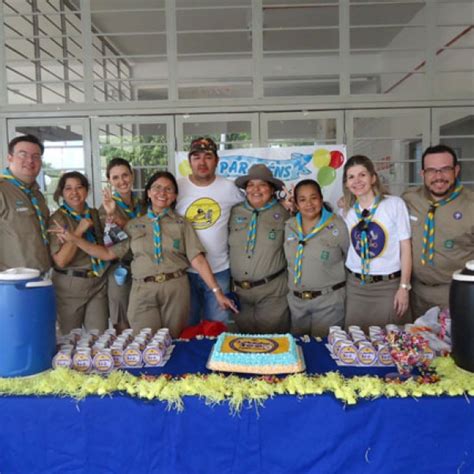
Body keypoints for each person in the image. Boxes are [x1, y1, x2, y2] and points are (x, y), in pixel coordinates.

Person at [50, 171, 238, 338]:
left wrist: (217, 292)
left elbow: (197, 259)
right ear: (148, 193)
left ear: (174, 196)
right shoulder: (134, 225)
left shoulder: (183, 224)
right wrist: (74, 239)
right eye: (156, 188)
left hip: (176, 289)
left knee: (174, 341)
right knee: (144, 343)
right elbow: (107, 253)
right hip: (143, 291)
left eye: (168, 189)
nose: (162, 193)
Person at [175, 137, 244, 325]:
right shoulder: (177, 188)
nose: (202, 162)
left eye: (208, 157)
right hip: (184, 271)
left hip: (219, 269)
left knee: (217, 327)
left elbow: (253, 210)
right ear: (189, 162)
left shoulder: (229, 188)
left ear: (216, 161)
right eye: (196, 157)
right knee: (188, 327)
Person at [341, 155, 412, 331]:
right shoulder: (346, 211)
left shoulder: (394, 204)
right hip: (356, 287)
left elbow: (406, 247)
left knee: (390, 342)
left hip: (388, 287)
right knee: (355, 342)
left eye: (362, 175)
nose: (357, 181)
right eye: (351, 177)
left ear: (373, 178)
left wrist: (404, 287)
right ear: (346, 183)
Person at [402, 144, 474, 318]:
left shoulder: (471, 205)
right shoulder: (409, 200)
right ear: (422, 174)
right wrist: (349, 201)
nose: (438, 176)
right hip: (416, 295)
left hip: (455, 294)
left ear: (456, 170)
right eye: (432, 170)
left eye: (445, 169)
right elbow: (381, 207)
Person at [229, 164, 290, 333]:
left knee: (273, 345)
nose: (256, 189)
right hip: (240, 294)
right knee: (244, 346)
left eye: (262, 184)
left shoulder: (285, 213)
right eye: (250, 185)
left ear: (271, 190)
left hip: (272, 292)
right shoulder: (234, 212)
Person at [284, 179, 349, 337]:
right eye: (303, 200)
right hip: (297, 303)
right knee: (299, 350)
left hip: (328, 301)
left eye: (313, 198)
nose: (309, 204)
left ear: (321, 199)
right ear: (297, 205)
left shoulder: (338, 225)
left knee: (324, 350)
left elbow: (349, 259)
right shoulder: (289, 226)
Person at [48, 171, 109, 334]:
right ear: (61, 192)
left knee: (99, 337)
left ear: (87, 190)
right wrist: (79, 231)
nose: (74, 193)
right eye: (68, 188)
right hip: (70, 285)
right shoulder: (57, 219)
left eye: (79, 187)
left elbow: (107, 244)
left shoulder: (95, 214)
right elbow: (60, 261)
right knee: (70, 339)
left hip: (97, 282)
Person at [100, 157, 145, 332]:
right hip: (120, 268)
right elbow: (108, 243)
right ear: (109, 181)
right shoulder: (105, 209)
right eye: (116, 178)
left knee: (143, 317)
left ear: (132, 176)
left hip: (143, 266)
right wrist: (114, 215)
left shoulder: (143, 205)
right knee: (122, 320)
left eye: (125, 175)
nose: (122, 181)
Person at [0, 134, 51, 273]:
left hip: (42, 277)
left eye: (36, 156)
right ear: (9, 158)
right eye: (23, 154)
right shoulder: (2, 190)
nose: (30, 160)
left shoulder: (36, 194)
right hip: (10, 283)